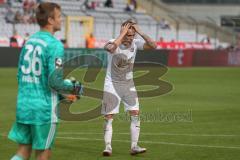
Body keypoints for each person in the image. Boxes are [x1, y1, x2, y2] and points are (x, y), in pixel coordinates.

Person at [8, 2, 83, 160]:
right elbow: (55, 81)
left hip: (24, 105)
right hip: (43, 110)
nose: (61, 20)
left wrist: (63, 95)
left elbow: (19, 76)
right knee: (43, 153)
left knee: (22, 152)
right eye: (59, 17)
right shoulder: (55, 45)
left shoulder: (29, 41)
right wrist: (74, 88)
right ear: (50, 20)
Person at [101, 19, 157, 156]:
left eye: (132, 35)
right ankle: (108, 147)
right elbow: (111, 48)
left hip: (128, 84)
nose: (130, 38)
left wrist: (140, 32)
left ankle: (134, 146)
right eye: (127, 34)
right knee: (109, 116)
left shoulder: (136, 43)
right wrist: (123, 34)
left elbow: (153, 45)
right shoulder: (113, 41)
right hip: (112, 84)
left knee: (135, 114)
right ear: (122, 32)